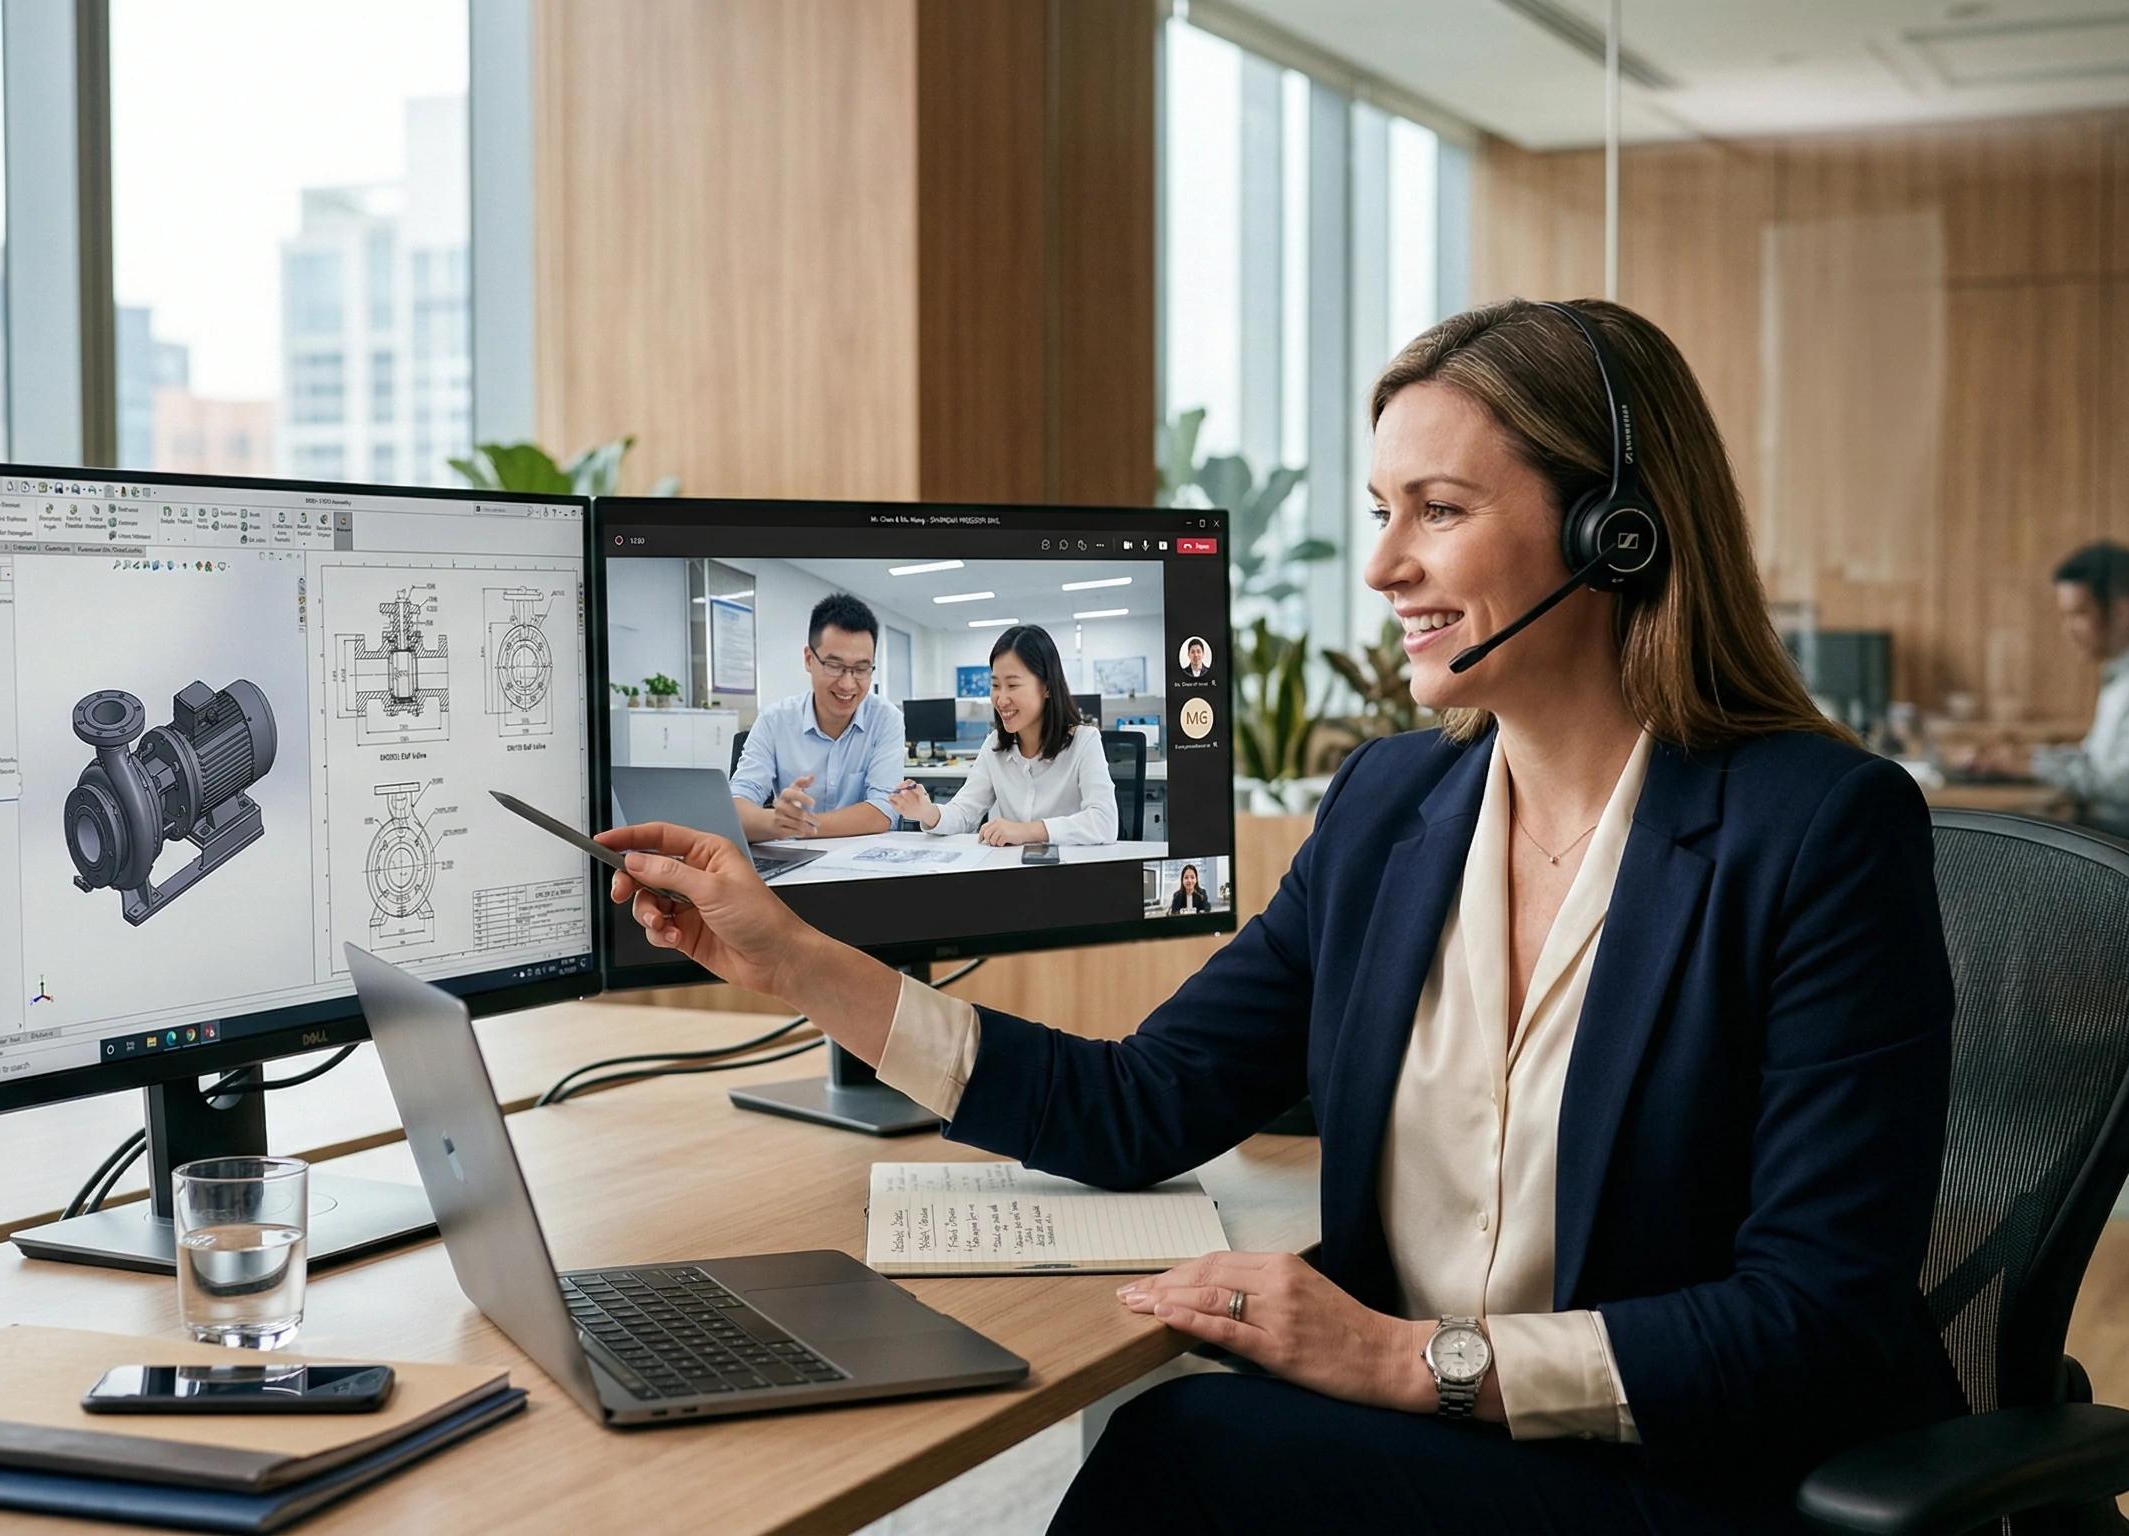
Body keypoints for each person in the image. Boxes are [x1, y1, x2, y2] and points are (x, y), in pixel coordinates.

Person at [597, 299, 1962, 1533]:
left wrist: (1406, 1360)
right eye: (1382, 511)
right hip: (1444, 1454)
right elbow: (1143, 1103)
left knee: (1188, 1459)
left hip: (1693, 1476)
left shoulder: (1820, 830)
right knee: (1189, 1448)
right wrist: (793, 960)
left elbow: (1817, 1323)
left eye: (1436, 510)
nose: (1382, 569)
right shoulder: (1388, 812)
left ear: (1617, 530)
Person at [1978, 543, 2129, 850]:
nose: (2068, 630)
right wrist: (2027, 758)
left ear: (2122, 611)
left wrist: (2029, 767)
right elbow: (2099, 761)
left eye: (2078, 614)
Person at [890, 624, 1118, 847]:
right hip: (1013, 875)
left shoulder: (1084, 741)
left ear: (1047, 687)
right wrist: (927, 811)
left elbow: (1105, 821)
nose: (1001, 699)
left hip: (1072, 873)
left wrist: (1027, 831)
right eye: (996, 685)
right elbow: (963, 813)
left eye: (1012, 685)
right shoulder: (995, 746)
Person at [726, 593, 907, 843]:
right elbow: (736, 805)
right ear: (809, 659)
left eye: (862, 669)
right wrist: (775, 821)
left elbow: (882, 812)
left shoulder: (886, 720)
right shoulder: (774, 721)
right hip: (794, 867)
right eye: (834, 666)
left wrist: (794, 825)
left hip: (865, 867)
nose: (847, 683)